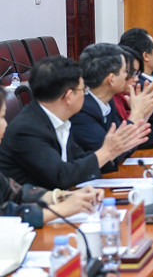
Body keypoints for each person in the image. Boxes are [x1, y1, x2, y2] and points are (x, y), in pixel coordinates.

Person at [0, 56, 150, 190]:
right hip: (29, 213)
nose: (86, 95)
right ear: (69, 96)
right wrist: (107, 152)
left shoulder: (59, 119)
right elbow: (60, 176)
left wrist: (113, 151)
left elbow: (79, 160)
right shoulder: (27, 128)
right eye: (83, 90)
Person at [0, 87, 103, 228]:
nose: (5, 124)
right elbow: (6, 215)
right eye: (1, 117)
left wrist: (65, 197)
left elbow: (17, 194)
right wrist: (62, 209)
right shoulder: (27, 127)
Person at [70, 43, 153, 153]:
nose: (128, 77)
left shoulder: (108, 102)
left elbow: (131, 146)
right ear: (111, 79)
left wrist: (145, 113)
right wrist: (137, 113)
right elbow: (111, 156)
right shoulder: (81, 111)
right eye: (125, 72)